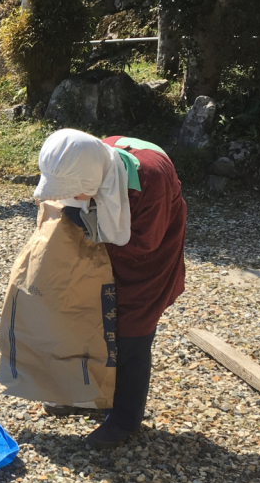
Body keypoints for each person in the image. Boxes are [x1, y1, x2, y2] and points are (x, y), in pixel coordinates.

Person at [33, 129, 187, 449]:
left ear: (91, 180)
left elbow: (144, 241)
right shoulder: (85, 160)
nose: (70, 198)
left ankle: (125, 418)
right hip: (108, 251)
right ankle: (91, 396)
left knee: (132, 331)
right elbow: (71, 208)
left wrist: (85, 230)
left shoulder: (151, 178)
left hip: (148, 261)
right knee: (92, 318)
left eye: (74, 191)